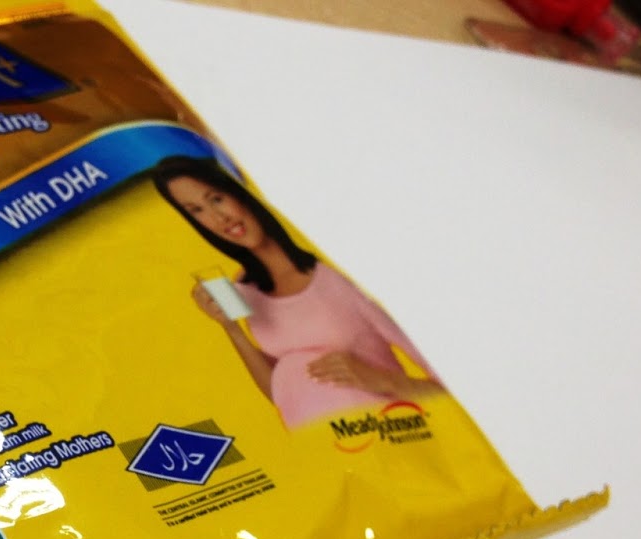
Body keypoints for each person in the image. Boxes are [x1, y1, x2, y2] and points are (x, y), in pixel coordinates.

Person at [151, 156, 441, 431]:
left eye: (216, 198)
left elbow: (453, 381)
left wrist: (385, 381)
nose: (218, 219)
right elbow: (280, 395)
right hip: (325, 451)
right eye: (197, 211)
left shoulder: (341, 272)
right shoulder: (244, 288)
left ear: (241, 191)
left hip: (391, 438)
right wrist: (232, 329)